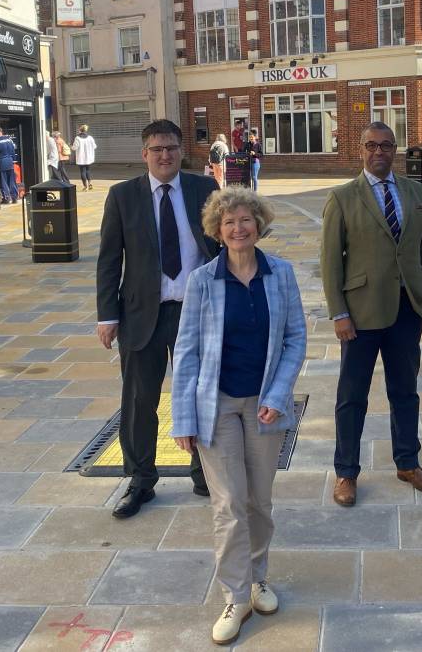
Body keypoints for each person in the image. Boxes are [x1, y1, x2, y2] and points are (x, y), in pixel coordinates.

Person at [170, 187, 306, 645]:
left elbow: (295, 340)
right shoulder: (203, 281)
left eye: (246, 219)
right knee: (228, 504)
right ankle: (235, 594)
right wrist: (182, 418)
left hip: (265, 404)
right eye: (229, 222)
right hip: (216, 405)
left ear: (259, 224)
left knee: (258, 502)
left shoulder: (281, 274)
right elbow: (186, 353)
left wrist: (280, 391)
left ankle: (259, 577)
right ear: (217, 230)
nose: (238, 228)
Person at [96, 119, 220, 517]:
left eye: (170, 148)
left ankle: (204, 474)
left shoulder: (204, 190)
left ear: (182, 151)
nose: (164, 155)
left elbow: (223, 246)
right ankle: (140, 480)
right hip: (140, 314)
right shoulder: (122, 196)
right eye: (156, 149)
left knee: (201, 395)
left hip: (194, 312)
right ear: (144, 154)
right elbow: (109, 259)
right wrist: (106, 315)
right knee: (139, 400)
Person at [322, 121, 422, 507]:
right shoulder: (342, 197)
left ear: (395, 150)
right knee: (352, 396)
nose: (379, 152)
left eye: (386, 145)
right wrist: (339, 313)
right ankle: (346, 473)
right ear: (361, 149)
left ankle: (408, 462)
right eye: (371, 145)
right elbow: (330, 264)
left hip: (407, 310)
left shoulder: (414, 191)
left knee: (405, 391)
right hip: (360, 313)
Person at [0, 127, 18, 204]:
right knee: (12, 180)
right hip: (10, 161)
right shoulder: (9, 139)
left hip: (2, 162)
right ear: (1, 132)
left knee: (3, 181)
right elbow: (13, 149)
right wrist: (13, 160)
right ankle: (14, 197)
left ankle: (6, 198)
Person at [72, 124, 98, 191]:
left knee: (82, 171)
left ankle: (85, 186)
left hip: (81, 157)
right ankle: (89, 183)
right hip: (89, 157)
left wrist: (71, 146)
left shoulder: (77, 138)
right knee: (88, 170)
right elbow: (95, 146)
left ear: (80, 130)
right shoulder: (90, 137)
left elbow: (74, 148)